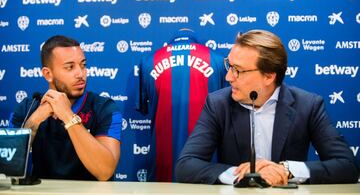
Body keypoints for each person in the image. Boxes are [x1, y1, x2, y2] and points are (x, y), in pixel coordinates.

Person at [175, 29, 359, 185]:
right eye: (229, 66)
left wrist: (286, 170)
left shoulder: (308, 105)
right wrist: (241, 175)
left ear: (269, 76)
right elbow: (186, 166)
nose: (228, 77)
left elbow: (347, 166)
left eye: (238, 70)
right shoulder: (218, 104)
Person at [9, 35, 122, 181]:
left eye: (83, 65)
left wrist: (68, 116)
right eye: (70, 67)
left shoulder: (104, 108)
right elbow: (8, 165)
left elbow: (105, 171)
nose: (80, 74)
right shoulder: (27, 108)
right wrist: (35, 120)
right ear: (47, 74)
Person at [137, 28, 228, 181]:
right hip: (207, 160)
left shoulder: (148, 61)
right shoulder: (218, 60)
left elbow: (143, 108)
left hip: (163, 160)